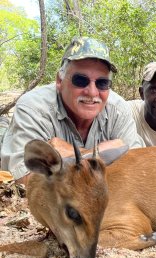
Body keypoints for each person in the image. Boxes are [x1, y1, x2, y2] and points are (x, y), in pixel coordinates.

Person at [1, 36, 144, 184]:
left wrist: (72, 155)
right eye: (80, 80)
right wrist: (106, 154)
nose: (92, 92)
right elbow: (24, 179)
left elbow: (138, 167)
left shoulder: (118, 109)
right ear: (59, 81)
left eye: (102, 83)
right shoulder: (33, 107)